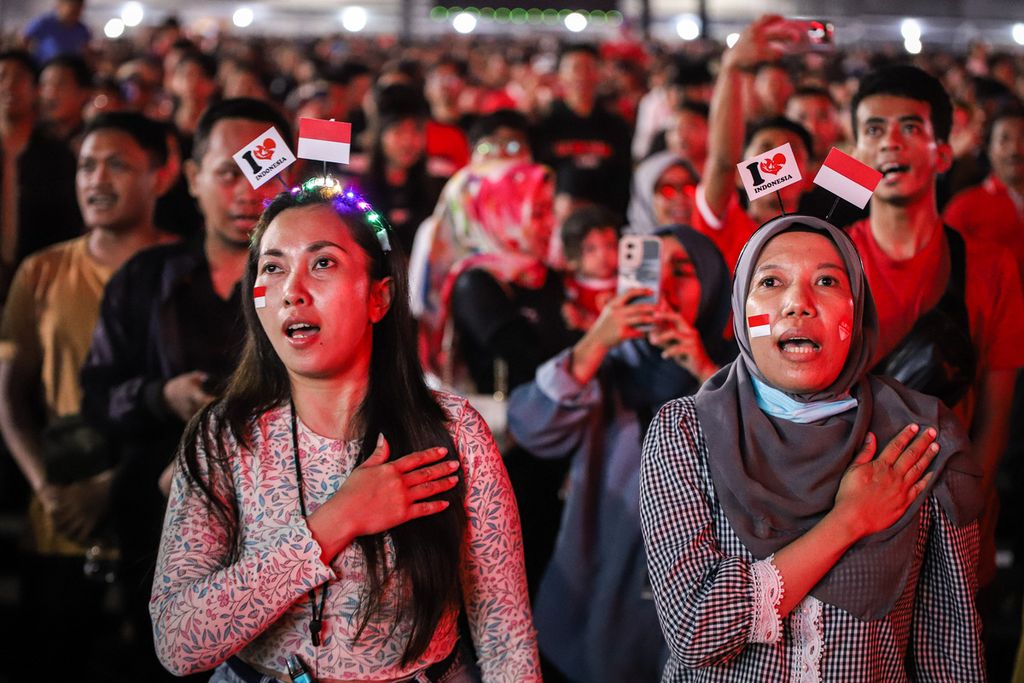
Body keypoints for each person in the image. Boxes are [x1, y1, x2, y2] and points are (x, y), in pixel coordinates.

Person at [150, 178, 540, 682]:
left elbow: (504, 632)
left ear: (379, 298)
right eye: (273, 267)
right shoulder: (223, 437)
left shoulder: (452, 431)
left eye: (322, 263)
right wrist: (336, 521)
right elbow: (178, 642)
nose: (292, 290)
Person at [640, 216, 986, 681]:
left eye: (826, 281)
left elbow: (949, 653)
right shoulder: (684, 431)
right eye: (770, 282)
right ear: (742, 311)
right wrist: (849, 521)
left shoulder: (921, 437)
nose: (797, 304)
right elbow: (695, 630)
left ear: (857, 308)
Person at [80, 98, 292, 681]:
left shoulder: (310, 286)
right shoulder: (144, 280)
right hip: (156, 523)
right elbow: (96, 397)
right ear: (193, 178)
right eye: (229, 172)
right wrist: (159, 397)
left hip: (282, 542)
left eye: (264, 170)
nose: (248, 191)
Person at [508, 225, 735, 683]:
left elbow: (757, 461)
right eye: (651, 269)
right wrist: (596, 342)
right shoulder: (605, 367)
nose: (663, 286)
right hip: (591, 602)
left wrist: (705, 374)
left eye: (684, 271)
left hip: (696, 620)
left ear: (712, 286)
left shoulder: (737, 375)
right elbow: (530, 427)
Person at [0, 111, 175, 680]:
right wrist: (46, 490)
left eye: (117, 165)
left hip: (164, 530)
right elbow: (10, 399)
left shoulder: (187, 274)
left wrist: (113, 488)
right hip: (58, 525)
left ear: (163, 175)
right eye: (85, 166)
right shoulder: (42, 271)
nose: (97, 180)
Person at [848, 65, 1024, 594]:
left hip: (953, 527)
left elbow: (994, 418)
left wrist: (965, 510)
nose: (890, 143)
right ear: (854, 153)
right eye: (873, 130)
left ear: (942, 154)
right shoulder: (827, 259)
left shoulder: (990, 267)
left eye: (910, 128)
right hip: (848, 528)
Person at [0, 49, 82, 299]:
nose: (9, 86)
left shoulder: (56, 156)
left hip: (41, 283)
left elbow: (68, 226)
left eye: (19, 79)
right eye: (2, 77)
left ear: (36, 89)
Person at [534, 44, 632, 216]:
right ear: (561, 76)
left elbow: (623, 178)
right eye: (575, 68)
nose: (582, 76)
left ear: (599, 74)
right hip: (554, 218)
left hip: (605, 218)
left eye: (589, 68)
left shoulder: (616, 126)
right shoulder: (545, 124)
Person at [944, 98, 1024, 283]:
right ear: (988, 148)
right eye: (1004, 139)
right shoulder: (963, 209)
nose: (1015, 149)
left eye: (1022, 137)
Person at [559, 205, 620, 333]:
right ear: (571, 255)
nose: (603, 255)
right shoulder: (570, 286)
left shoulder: (626, 283)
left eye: (610, 245)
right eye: (590, 249)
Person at [20, 0, 91, 64]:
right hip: (44, 67)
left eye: (79, 9)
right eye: (73, 8)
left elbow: (86, 51)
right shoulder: (45, 23)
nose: (76, 12)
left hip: (68, 69)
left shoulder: (82, 29)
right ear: (61, 5)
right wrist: (26, 61)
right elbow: (24, 39)